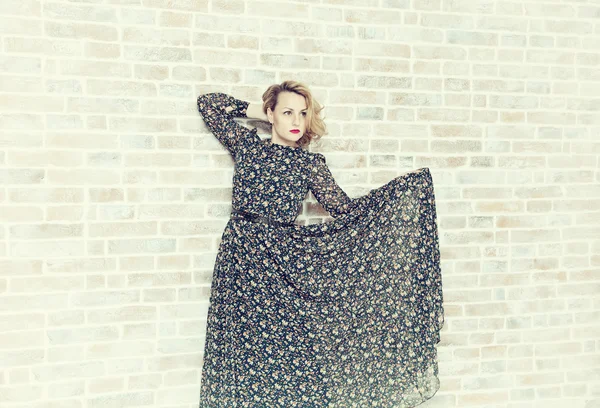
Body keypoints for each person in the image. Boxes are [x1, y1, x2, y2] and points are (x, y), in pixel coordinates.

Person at [196, 81, 444, 407]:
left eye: (302, 113)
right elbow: (208, 104)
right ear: (271, 114)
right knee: (242, 348)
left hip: (283, 264)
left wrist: (399, 196)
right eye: (287, 112)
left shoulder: (308, 164)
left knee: (297, 351)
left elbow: (346, 211)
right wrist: (260, 110)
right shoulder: (247, 146)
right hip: (241, 257)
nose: (296, 120)